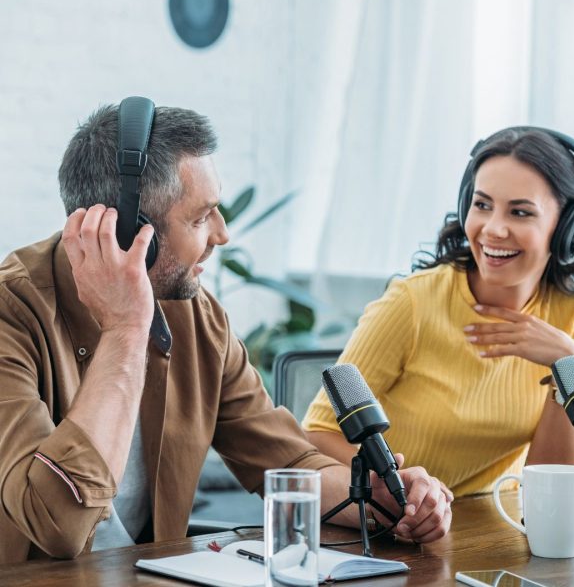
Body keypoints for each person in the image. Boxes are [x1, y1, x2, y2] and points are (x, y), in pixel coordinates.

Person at [0, 101, 452, 564]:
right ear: (129, 234)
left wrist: (387, 501)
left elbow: (288, 461)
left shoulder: (197, 318)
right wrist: (125, 328)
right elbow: (56, 525)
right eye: (200, 218)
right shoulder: (10, 314)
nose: (222, 234)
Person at [303, 127, 574, 498]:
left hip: (487, 531)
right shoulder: (412, 303)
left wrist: (567, 366)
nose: (493, 229)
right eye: (482, 205)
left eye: (521, 212)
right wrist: (406, 487)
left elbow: (551, 487)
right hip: (395, 523)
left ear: (568, 227)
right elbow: (317, 434)